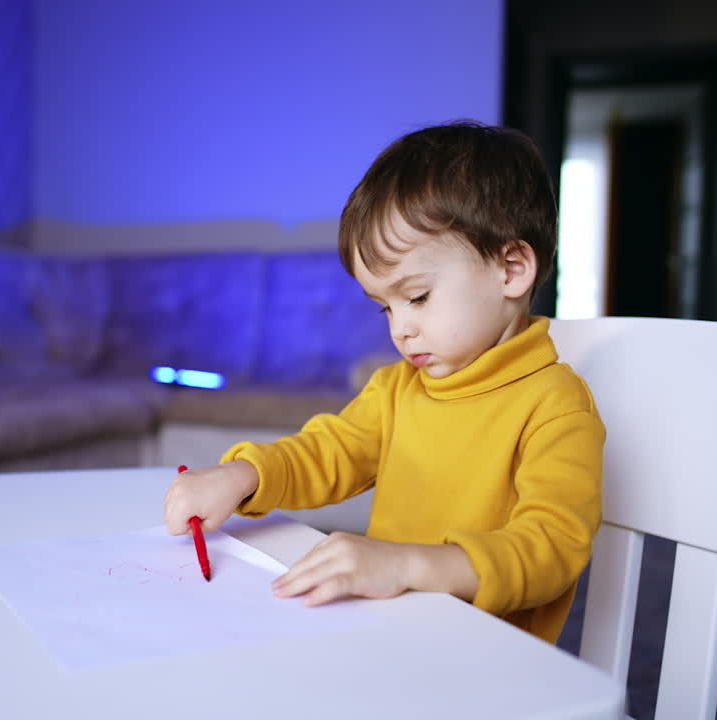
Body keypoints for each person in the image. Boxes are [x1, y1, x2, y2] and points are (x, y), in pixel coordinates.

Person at [163, 120, 604, 644]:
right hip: (387, 639)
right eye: (385, 308)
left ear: (510, 269)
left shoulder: (555, 405)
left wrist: (405, 565)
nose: (400, 329)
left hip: (486, 661)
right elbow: (327, 452)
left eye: (417, 297)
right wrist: (242, 475)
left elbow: (552, 549)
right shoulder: (396, 389)